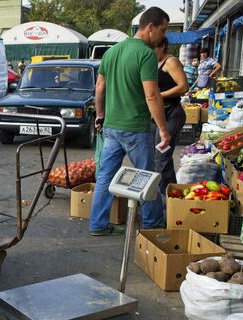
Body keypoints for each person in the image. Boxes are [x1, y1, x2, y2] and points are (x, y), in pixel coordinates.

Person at [89, 6, 170, 236]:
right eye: (162, 30)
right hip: (136, 128)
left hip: (112, 127)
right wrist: (163, 129)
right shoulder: (145, 55)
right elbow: (152, 95)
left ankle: (97, 224)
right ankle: (153, 225)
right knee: (147, 176)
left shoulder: (111, 52)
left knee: (105, 175)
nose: (163, 36)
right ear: (150, 27)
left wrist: (101, 115)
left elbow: (100, 87)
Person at [151, 37, 189, 198]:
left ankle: (170, 197)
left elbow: (184, 86)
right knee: (156, 157)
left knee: (161, 156)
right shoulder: (153, 62)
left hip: (172, 113)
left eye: (153, 49)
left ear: (162, 46)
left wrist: (159, 95)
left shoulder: (171, 62)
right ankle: (165, 193)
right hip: (157, 114)